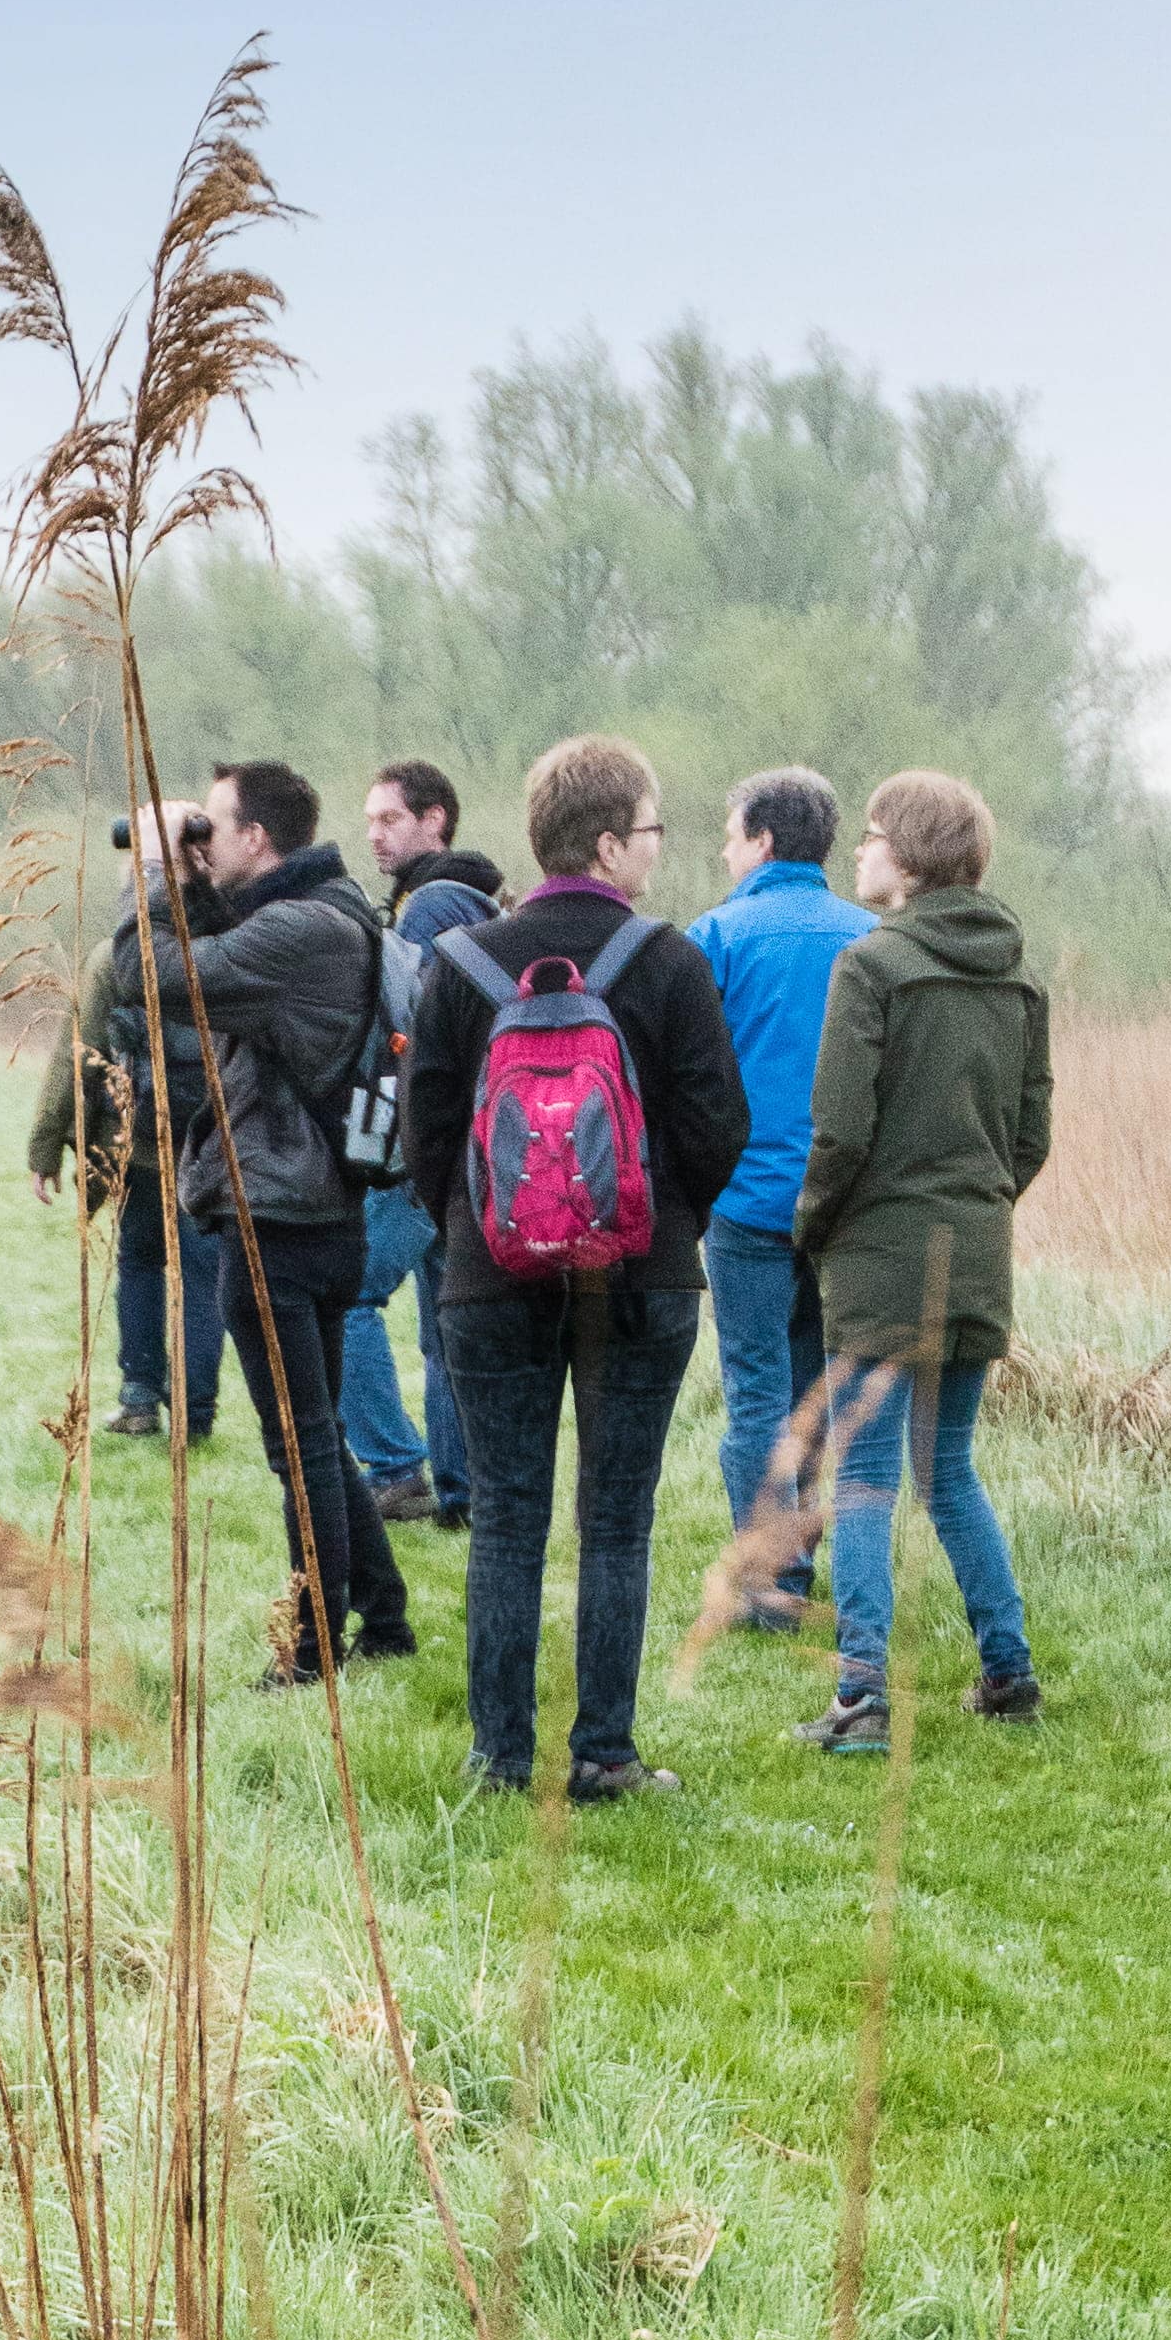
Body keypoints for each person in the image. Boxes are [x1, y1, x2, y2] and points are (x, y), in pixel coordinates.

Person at [402, 733, 749, 1804]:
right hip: (641, 1281)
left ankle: (498, 1758)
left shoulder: (460, 965)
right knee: (614, 1517)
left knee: (505, 1515)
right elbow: (718, 1126)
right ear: (606, 843)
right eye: (649, 829)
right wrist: (660, 1221)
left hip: (488, 1281)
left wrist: (478, 1226)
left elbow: (425, 1139)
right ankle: (602, 1753)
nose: (656, 849)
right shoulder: (668, 961)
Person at [790, 772, 1050, 1753]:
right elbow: (1029, 1134)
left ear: (906, 858)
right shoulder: (1019, 976)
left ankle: (859, 1699)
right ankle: (1007, 1669)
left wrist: (813, 1225)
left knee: (860, 1479)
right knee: (946, 1469)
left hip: (878, 1254)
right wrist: (975, 1208)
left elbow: (838, 1129)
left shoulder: (872, 966)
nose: (855, 853)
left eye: (868, 837)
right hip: (975, 1251)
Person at [156, 763, 416, 1672]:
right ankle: (384, 1619)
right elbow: (221, 958)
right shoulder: (330, 911)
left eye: (215, 827)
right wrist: (193, 878)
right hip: (314, 1211)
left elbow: (151, 980)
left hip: (280, 1218)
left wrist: (152, 875)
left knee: (295, 1446)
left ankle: (313, 1648)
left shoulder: (304, 928)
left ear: (258, 838)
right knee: (316, 1433)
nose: (204, 842)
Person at [687, 766, 872, 1629]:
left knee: (756, 1392)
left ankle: (769, 1582)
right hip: (841, 1210)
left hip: (746, 1204)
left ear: (762, 841)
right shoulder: (872, 938)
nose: (725, 851)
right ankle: (799, 1567)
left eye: (730, 835)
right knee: (815, 1390)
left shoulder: (716, 937)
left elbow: (688, 1076)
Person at [30, 798, 229, 1440]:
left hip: (137, 1146)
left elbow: (77, 1053)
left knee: (142, 1264)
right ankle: (194, 1413)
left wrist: (46, 1146)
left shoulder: (112, 957)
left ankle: (140, 1399)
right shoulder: (234, 943)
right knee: (200, 1277)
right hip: (213, 1149)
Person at [338, 760, 502, 1531]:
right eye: (369, 819)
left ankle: (397, 1469)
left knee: (347, 1296)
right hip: (468, 1146)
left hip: (422, 1144)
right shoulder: (471, 901)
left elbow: (415, 1030)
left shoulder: (431, 908)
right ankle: (463, 1492)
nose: (374, 833)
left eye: (390, 819)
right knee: (444, 1326)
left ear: (435, 820)